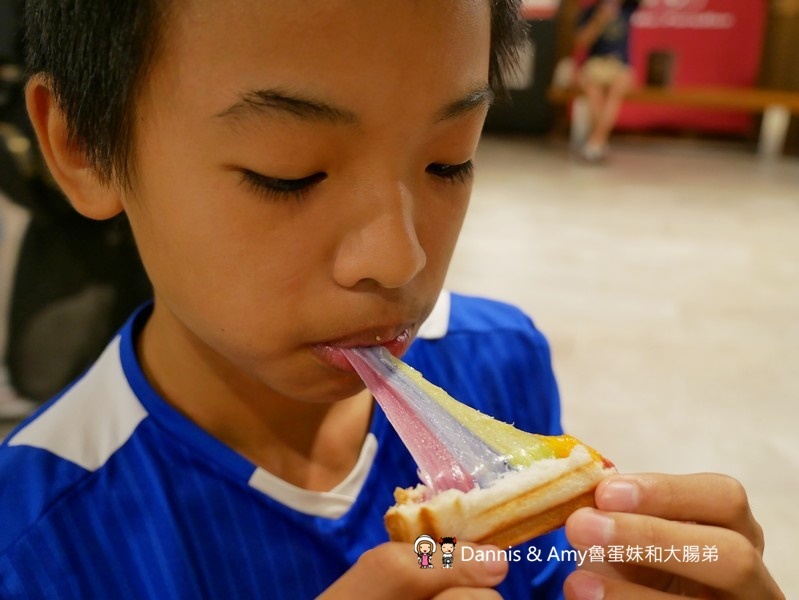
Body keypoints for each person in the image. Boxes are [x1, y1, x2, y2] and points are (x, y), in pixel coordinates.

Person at [0, 1, 785, 598]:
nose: (399, 258)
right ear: (83, 145)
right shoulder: (34, 543)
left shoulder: (499, 360)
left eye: (449, 161)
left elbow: (534, 568)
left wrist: (641, 570)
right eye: (289, 173)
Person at [574, 0, 640, 163]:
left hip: (620, 65)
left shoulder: (627, 8)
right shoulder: (590, 11)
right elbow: (581, 42)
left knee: (615, 93)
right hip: (595, 64)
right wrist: (599, 20)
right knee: (593, 92)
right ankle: (599, 142)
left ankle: (595, 141)